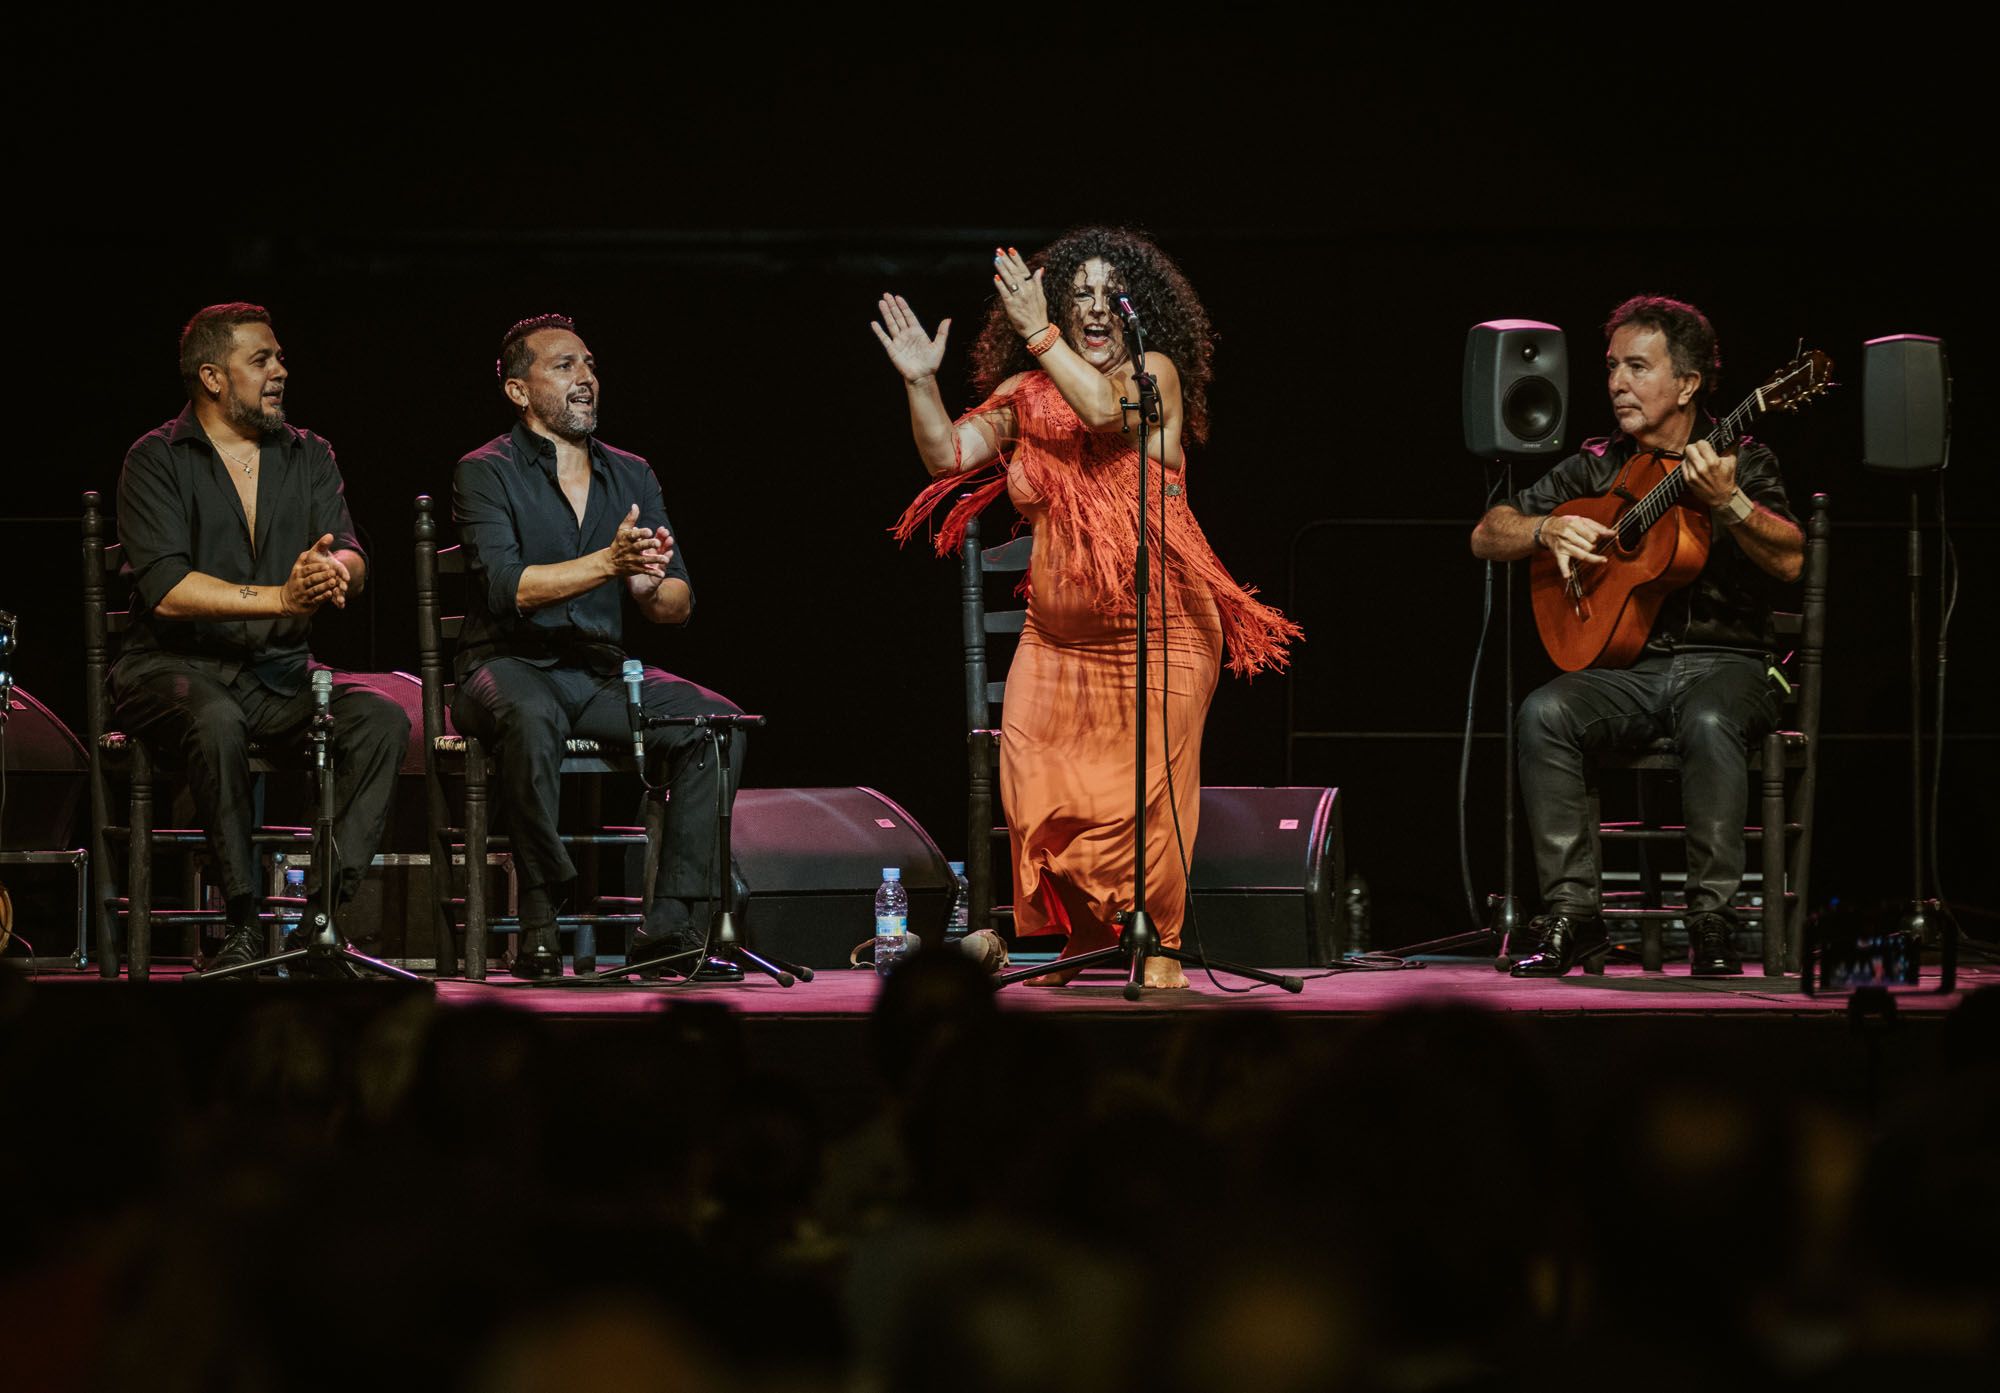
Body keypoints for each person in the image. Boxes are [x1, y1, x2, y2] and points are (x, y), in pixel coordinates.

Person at [878, 228, 1300, 988]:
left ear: (1142, 312)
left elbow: (1103, 411)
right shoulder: (1028, 397)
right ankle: (1086, 933)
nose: (1096, 308)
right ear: (1059, 308)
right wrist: (918, 382)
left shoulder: (1153, 376)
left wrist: (1037, 331)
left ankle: (1159, 944)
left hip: (1163, 635)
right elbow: (947, 454)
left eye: (1112, 294)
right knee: (1036, 787)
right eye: (1078, 294)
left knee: (1144, 802)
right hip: (1058, 640)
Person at [1470, 295, 1804, 978]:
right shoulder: (1595, 465)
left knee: (1709, 718)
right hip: (1631, 673)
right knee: (1544, 712)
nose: (1618, 382)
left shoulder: (1744, 457)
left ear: (1686, 383)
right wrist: (1546, 528)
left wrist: (1730, 503)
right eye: (1612, 366)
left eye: (1638, 367)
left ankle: (1713, 918)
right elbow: (1485, 531)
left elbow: (1794, 559)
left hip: (1730, 665)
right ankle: (1575, 916)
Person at [111, 302, 411, 974]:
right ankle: (241, 918)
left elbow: (354, 554)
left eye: (278, 357)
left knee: (380, 720)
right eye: (262, 359)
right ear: (214, 378)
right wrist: (280, 594)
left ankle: (321, 922)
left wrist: (332, 571)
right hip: (172, 667)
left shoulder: (308, 454)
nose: (281, 370)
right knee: (214, 718)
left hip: (278, 672)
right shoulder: (157, 458)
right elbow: (167, 588)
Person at [452, 314, 743, 980]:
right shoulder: (484, 471)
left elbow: (677, 603)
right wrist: (609, 562)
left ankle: (670, 927)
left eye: (589, 365)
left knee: (714, 728)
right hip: (505, 665)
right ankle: (543, 913)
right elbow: (506, 588)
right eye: (563, 367)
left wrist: (645, 586)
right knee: (530, 715)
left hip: (600, 675)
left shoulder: (632, 474)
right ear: (518, 392)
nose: (585, 378)